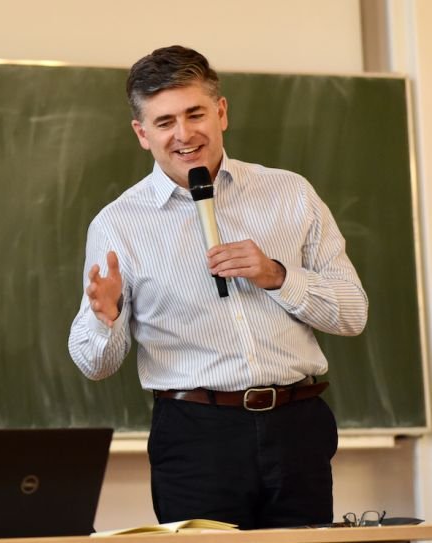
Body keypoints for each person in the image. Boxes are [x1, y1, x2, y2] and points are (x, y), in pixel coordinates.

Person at [67, 45, 368, 529]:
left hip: (298, 426)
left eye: (195, 113)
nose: (184, 134)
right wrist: (106, 319)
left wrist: (277, 276)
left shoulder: (290, 194)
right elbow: (95, 365)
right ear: (142, 134)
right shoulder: (118, 224)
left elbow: (353, 315)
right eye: (164, 122)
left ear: (221, 112)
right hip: (195, 436)